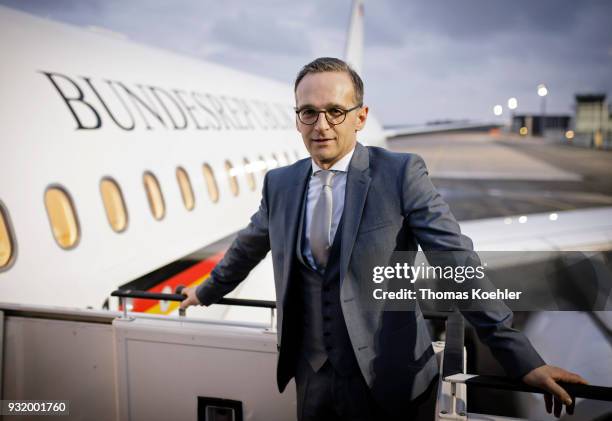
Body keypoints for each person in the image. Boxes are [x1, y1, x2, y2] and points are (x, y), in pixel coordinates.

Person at [181, 57, 586, 420]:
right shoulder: (281, 184)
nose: (321, 125)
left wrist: (519, 357)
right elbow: (250, 244)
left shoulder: (399, 173)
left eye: (335, 112)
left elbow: (455, 260)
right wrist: (206, 292)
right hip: (312, 379)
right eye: (309, 112)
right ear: (297, 118)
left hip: (393, 380)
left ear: (360, 117)